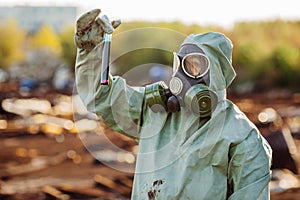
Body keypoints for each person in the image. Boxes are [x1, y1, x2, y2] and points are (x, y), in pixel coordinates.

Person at [74, 8, 272, 200]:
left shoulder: (243, 139)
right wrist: (92, 53)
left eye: (196, 67)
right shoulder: (155, 112)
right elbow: (101, 96)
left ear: (217, 77)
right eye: (183, 65)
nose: (185, 77)